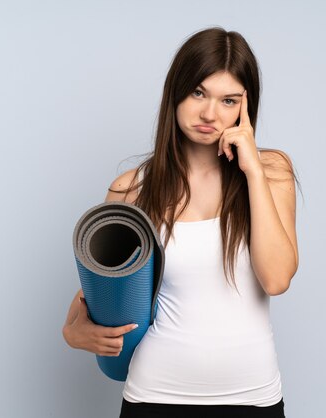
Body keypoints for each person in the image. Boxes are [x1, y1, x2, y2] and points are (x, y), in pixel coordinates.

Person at [63, 27, 300, 418]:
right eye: (198, 93)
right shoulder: (132, 190)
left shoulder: (271, 171)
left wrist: (252, 171)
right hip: (154, 397)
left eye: (229, 100)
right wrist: (74, 333)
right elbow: (95, 298)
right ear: (176, 92)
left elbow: (276, 279)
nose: (210, 113)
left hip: (254, 398)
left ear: (246, 107)